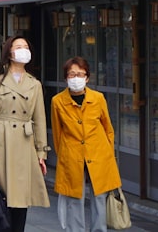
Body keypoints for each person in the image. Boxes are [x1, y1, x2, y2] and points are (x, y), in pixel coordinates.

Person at [0, 35, 49, 232]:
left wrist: (41, 153)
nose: (23, 50)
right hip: (1, 141)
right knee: (0, 196)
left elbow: (40, 120)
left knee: (21, 198)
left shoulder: (34, 84)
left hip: (24, 143)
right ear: (9, 52)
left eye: (26, 47)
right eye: (18, 46)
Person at [51, 56, 121, 232]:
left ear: (87, 78)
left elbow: (108, 128)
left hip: (99, 154)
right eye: (72, 74)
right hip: (72, 155)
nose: (76, 78)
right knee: (75, 197)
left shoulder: (98, 98)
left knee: (99, 197)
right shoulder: (57, 101)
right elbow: (57, 133)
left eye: (80, 74)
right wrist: (63, 157)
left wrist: (109, 155)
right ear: (66, 77)